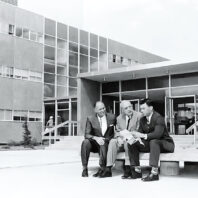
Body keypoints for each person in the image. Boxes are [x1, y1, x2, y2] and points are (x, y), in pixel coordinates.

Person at [128, 98, 175, 181]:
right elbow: (140, 133)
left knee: (154, 141)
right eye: (141, 109)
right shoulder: (142, 120)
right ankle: (137, 171)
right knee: (132, 143)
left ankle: (154, 173)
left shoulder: (159, 118)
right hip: (151, 144)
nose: (141, 111)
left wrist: (142, 135)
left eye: (143, 108)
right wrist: (136, 137)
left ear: (151, 108)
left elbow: (157, 134)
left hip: (165, 144)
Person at [100, 100, 142, 178]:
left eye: (130, 107)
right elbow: (117, 131)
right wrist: (118, 137)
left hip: (133, 140)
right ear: (122, 110)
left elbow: (140, 130)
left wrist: (128, 135)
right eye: (126, 108)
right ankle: (108, 168)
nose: (129, 109)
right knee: (112, 141)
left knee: (127, 141)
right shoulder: (119, 118)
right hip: (122, 140)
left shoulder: (139, 116)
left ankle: (127, 167)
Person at [81, 101, 116, 177]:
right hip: (94, 143)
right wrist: (96, 138)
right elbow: (87, 134)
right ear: (95, 110)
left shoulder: (112, 117)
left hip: (106, 142)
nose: (103, 110)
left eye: (103, 108)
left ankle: (102, 168)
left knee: (102, 142)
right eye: (100, 109)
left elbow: (117, 130)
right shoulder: (90, 118)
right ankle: (84, 168)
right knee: (85, 142)